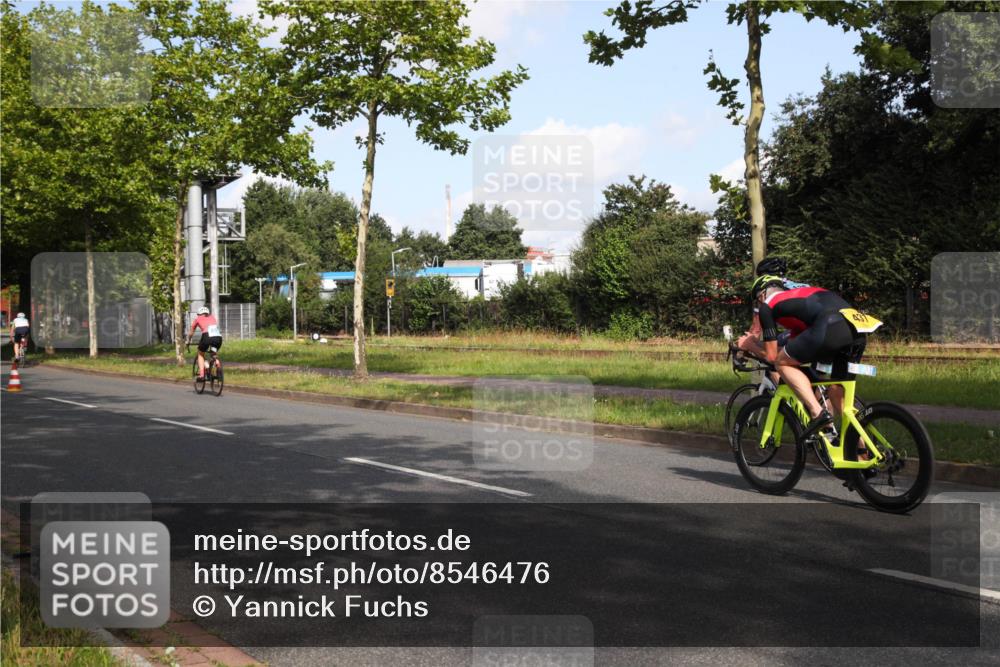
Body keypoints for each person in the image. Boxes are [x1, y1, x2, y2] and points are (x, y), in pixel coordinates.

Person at [738, 275, 871, 437]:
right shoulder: (799, 302)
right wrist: (755, 345)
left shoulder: (767, 305)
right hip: (856, 328)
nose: (759, 308)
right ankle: (861, 452)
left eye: (757, 303)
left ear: (762, 295)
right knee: (837, 395)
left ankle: (818, 413)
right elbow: (787, 350)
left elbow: (773, 357)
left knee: (781, 364)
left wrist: (749, 344)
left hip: (829, 325)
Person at [187, 306, 222, 380]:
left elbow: (191, 332)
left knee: (200, 354)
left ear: (199, 314)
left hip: (207, 336)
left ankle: (202, 375)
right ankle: (218, 367)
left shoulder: (197, 319)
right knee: (213, 353)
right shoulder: (212, 317)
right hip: (218, 337)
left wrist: (188, 340)